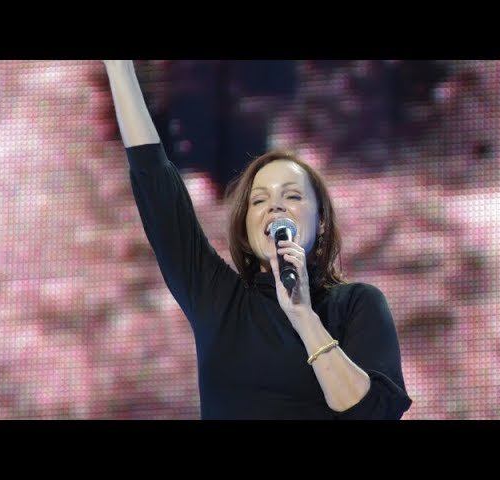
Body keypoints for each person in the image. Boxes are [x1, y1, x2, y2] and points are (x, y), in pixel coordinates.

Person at [104, 60, 412, 419]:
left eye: (292, 196)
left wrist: (303, 316)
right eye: (259, 200)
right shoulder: (220, 301)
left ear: (321, 222)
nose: (275, 206)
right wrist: (119, 68)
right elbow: (155, 180)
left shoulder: (356, 304)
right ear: (246, 228)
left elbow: (374, 413)